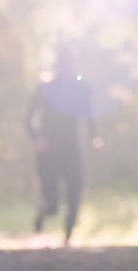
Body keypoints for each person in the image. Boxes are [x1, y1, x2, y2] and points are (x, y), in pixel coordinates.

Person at [25, 47, 103, 245]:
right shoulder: (46, 88)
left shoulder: (81, 89)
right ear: (58, 63)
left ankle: (67, 239)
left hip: (71, 149)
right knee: (52, 204)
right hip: (49, 151)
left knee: (75, 192)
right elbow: (28, 119)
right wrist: (38, 138)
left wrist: (94, 137)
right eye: (65, 61)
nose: (69, 65)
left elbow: (89, 115)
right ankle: (43, 213)